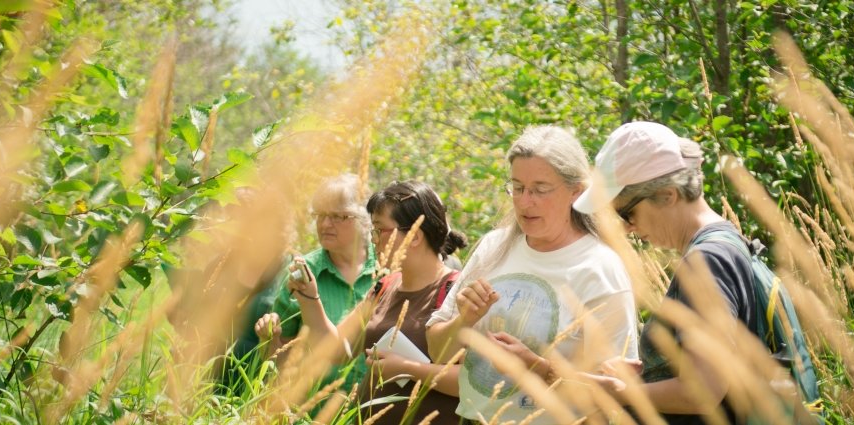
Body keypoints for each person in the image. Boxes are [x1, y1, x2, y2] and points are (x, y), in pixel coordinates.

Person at [572, 121, 820, 424]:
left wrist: (622, 391)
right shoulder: (729, 244)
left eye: (626, 213)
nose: (626, 228)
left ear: (667, 194)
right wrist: (655, 369)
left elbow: (705, 388)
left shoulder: (707, 260)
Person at [425, 126, 639, 424]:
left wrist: (534, 366)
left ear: (576, 191)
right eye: (517, 187)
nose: (525, 202)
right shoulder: (494, 246)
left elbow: (614, 394)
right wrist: (464, 320)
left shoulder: (600, 268)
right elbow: (437, 352)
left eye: (540, 189)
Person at [268, 181, 468, 423]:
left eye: (379, 230)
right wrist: (310, 298)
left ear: (414, 236)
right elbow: (336, 350)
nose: (373, 240)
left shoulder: (456, 292)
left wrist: (408, 368)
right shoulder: (384, 286)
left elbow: (471, 381)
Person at [255, 173, 378, 391]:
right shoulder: (302, 274)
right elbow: (279, 364)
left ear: (365, 219)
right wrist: (269, 340)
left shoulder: (387, 269)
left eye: (338, 216)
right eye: (320, 215)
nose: (325, 224)